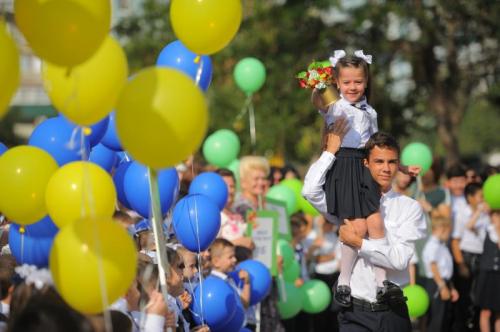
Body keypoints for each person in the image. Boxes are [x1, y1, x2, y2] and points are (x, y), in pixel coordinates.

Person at [311, 49, 420, 306]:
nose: (352, 87)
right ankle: (345, 281)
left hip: (364, 166)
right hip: (344, 167)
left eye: (358, 82)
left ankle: (382, 282)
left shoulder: (370, 112)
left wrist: (400, 167)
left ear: (366, 82)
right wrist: (318, 85)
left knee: (376, 223)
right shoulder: (334, 107)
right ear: (337, 83)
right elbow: (317, 100)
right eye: (346, 82)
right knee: (356, 227)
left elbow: (377, 146)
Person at [302, 121, 427, 331]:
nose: (386, 168)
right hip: (355, 313)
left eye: (392, 162)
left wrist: (359, 243)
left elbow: (399, 260)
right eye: (379, 161)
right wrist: (330, 153)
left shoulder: (409, 207)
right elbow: (310, 191)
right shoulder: (346, 201)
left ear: (398, 165)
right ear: (366, 163)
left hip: (393, 312)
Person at [451, 182, 491, 331]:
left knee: (480, 296)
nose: (483, 199)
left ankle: (475, 325)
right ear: (470, 197)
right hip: (467, 257)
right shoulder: (462, 213)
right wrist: (460, 263)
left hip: (483, 257)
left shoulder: (487, 213)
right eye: (480, 196)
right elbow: (456, 240)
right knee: (465, 296)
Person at [422, 216, 459, 332]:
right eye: (449, 231)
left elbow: (446, 270)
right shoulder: (432, 245)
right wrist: (442, 287)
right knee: (437, 319)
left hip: (444, 282)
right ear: (442, 229)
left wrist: (451, 288)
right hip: (436, 284)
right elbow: (433, 267)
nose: (449, 235)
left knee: (444, 318)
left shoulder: (441, 245)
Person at [215, 168, 254, 250]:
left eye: (232, 186)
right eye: (225, 186)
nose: (229, 190)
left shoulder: (238, 214)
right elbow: (210, 249)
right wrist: (237, 243)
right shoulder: (214, 217)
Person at [474, 210, 500, 332]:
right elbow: (469, 226)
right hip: (487, 275)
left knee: (499, 312)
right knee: (485, 311)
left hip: (498, 275)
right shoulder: (486, 230)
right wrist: (480, 209)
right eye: (495, 215)